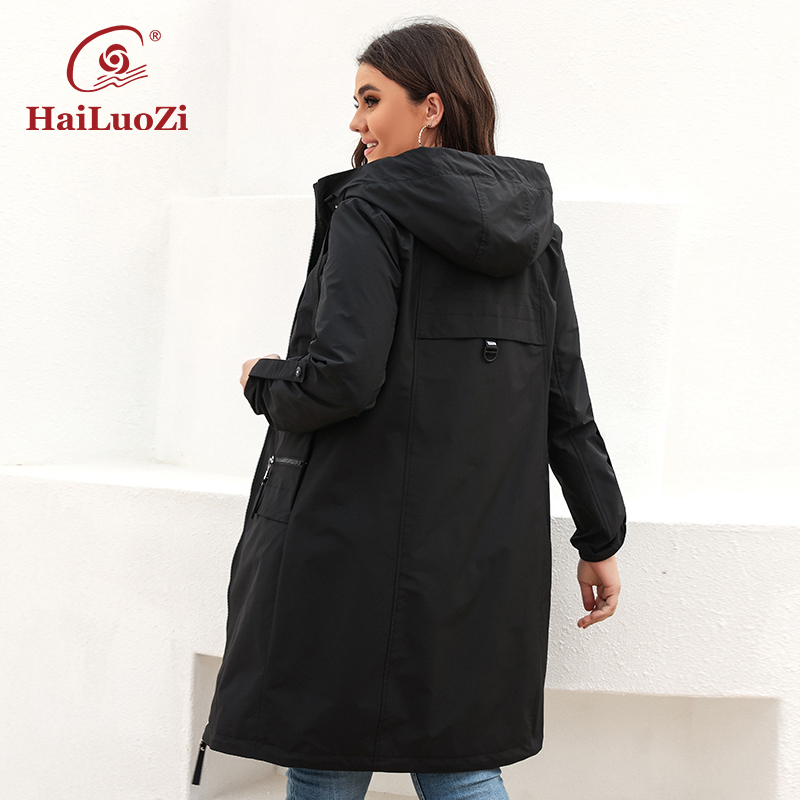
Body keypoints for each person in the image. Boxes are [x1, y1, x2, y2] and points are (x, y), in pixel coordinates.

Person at [192, 18, 626, 800]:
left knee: (325, 753)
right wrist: (600, 536)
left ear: (431, 107)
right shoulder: (537, 235)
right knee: (460, 761)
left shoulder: (369, 208)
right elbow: (564, 399)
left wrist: (263, 378)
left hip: (350, 544)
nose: (355, 122)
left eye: (370, 100)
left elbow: (341, 379)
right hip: (479, 560)